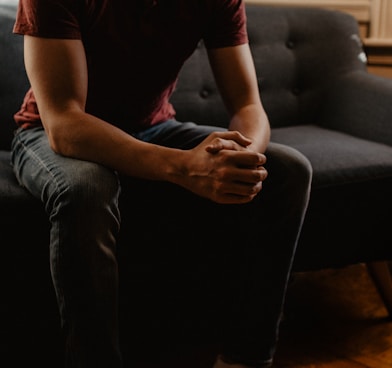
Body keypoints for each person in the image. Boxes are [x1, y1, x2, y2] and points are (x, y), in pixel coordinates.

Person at [11, 0, 312, 367]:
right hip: (49, 132)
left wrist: (241, 158)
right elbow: (64, 123)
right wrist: (185, 168)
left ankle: (246, 358)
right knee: (86, 190)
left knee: (289, 171)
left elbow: (249, 105)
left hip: (155, 128)